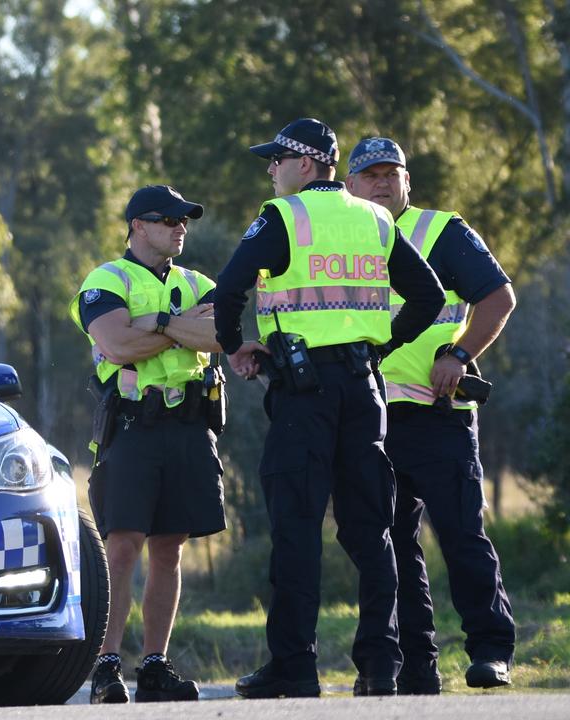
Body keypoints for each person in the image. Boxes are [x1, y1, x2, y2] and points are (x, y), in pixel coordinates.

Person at [211, 119, 445, 698]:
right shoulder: (375, 218)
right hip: (365, 390)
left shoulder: (283, 217)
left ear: (307, 164)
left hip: (303, 393)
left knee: (296, 528)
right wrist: (379, 345)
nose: (271, 171)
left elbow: (230, 288)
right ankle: (380, 666)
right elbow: (430, 296)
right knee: (373, 531)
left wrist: (233, 344)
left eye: (277, 161)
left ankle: (294, 666)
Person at [345, 137, 517, 693]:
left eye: (390, 174)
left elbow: (497, 298)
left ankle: (492, 652)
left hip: (438, 413)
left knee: (462, 536)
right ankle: (417, 667)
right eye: (369, 175)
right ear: (350, 185)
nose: (380, 183)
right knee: (391, 547)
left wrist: (460, 354)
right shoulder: (343, 238)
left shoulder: (441, 231)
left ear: (407, 182)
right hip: (371, 418)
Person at [69, 185, 227, 704]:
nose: (180, 227)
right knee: (122, 548)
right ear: (138, 225)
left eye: (184, 220)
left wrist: (153, 326)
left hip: (188, 427)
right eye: (168, 219)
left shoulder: (197, 280)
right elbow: (115, 343)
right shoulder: (107, 279)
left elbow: (219, 335)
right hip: (133, 428)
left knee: (169, 550)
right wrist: (178, 327)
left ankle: (155, 665)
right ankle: (106, 665)